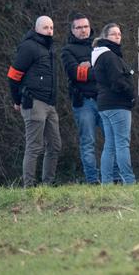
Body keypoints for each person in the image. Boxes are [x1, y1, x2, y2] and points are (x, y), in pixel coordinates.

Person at [7, 16, 61, 187]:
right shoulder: (28, 47)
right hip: (34, 101)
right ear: (36, 29)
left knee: (55, 145)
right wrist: (17, 100)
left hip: (50, 103)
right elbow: (13, 76)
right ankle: (29, 186)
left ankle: (48, 184)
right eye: (45, 27)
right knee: (34, 146)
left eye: (51, 28)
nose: (49, 31)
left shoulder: (50, 48)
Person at [60, 13, 108, 184]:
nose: (83, 30)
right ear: (72, 30)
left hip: (103, 100)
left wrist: (89, 68)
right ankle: (92, 180)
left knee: (112, 140)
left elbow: (111, 70)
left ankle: (112, 178)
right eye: (79, 27)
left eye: (85, 27)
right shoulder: (67, 51)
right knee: (88, 143)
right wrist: (96, 70)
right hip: (83, 103)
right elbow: (76, 74)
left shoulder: (100, 47)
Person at [91, 23, 136, 185]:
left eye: (119, 33)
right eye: (113, 34)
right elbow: (117, 81)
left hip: (104, 105)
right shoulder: (109, 56)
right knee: (122, 144)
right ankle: (129, 180)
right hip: (117, 104)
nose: (118, 36)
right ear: (105, 37)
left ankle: (107, 181)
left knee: (110, 145)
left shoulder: (100, 55)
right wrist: (130, 95)